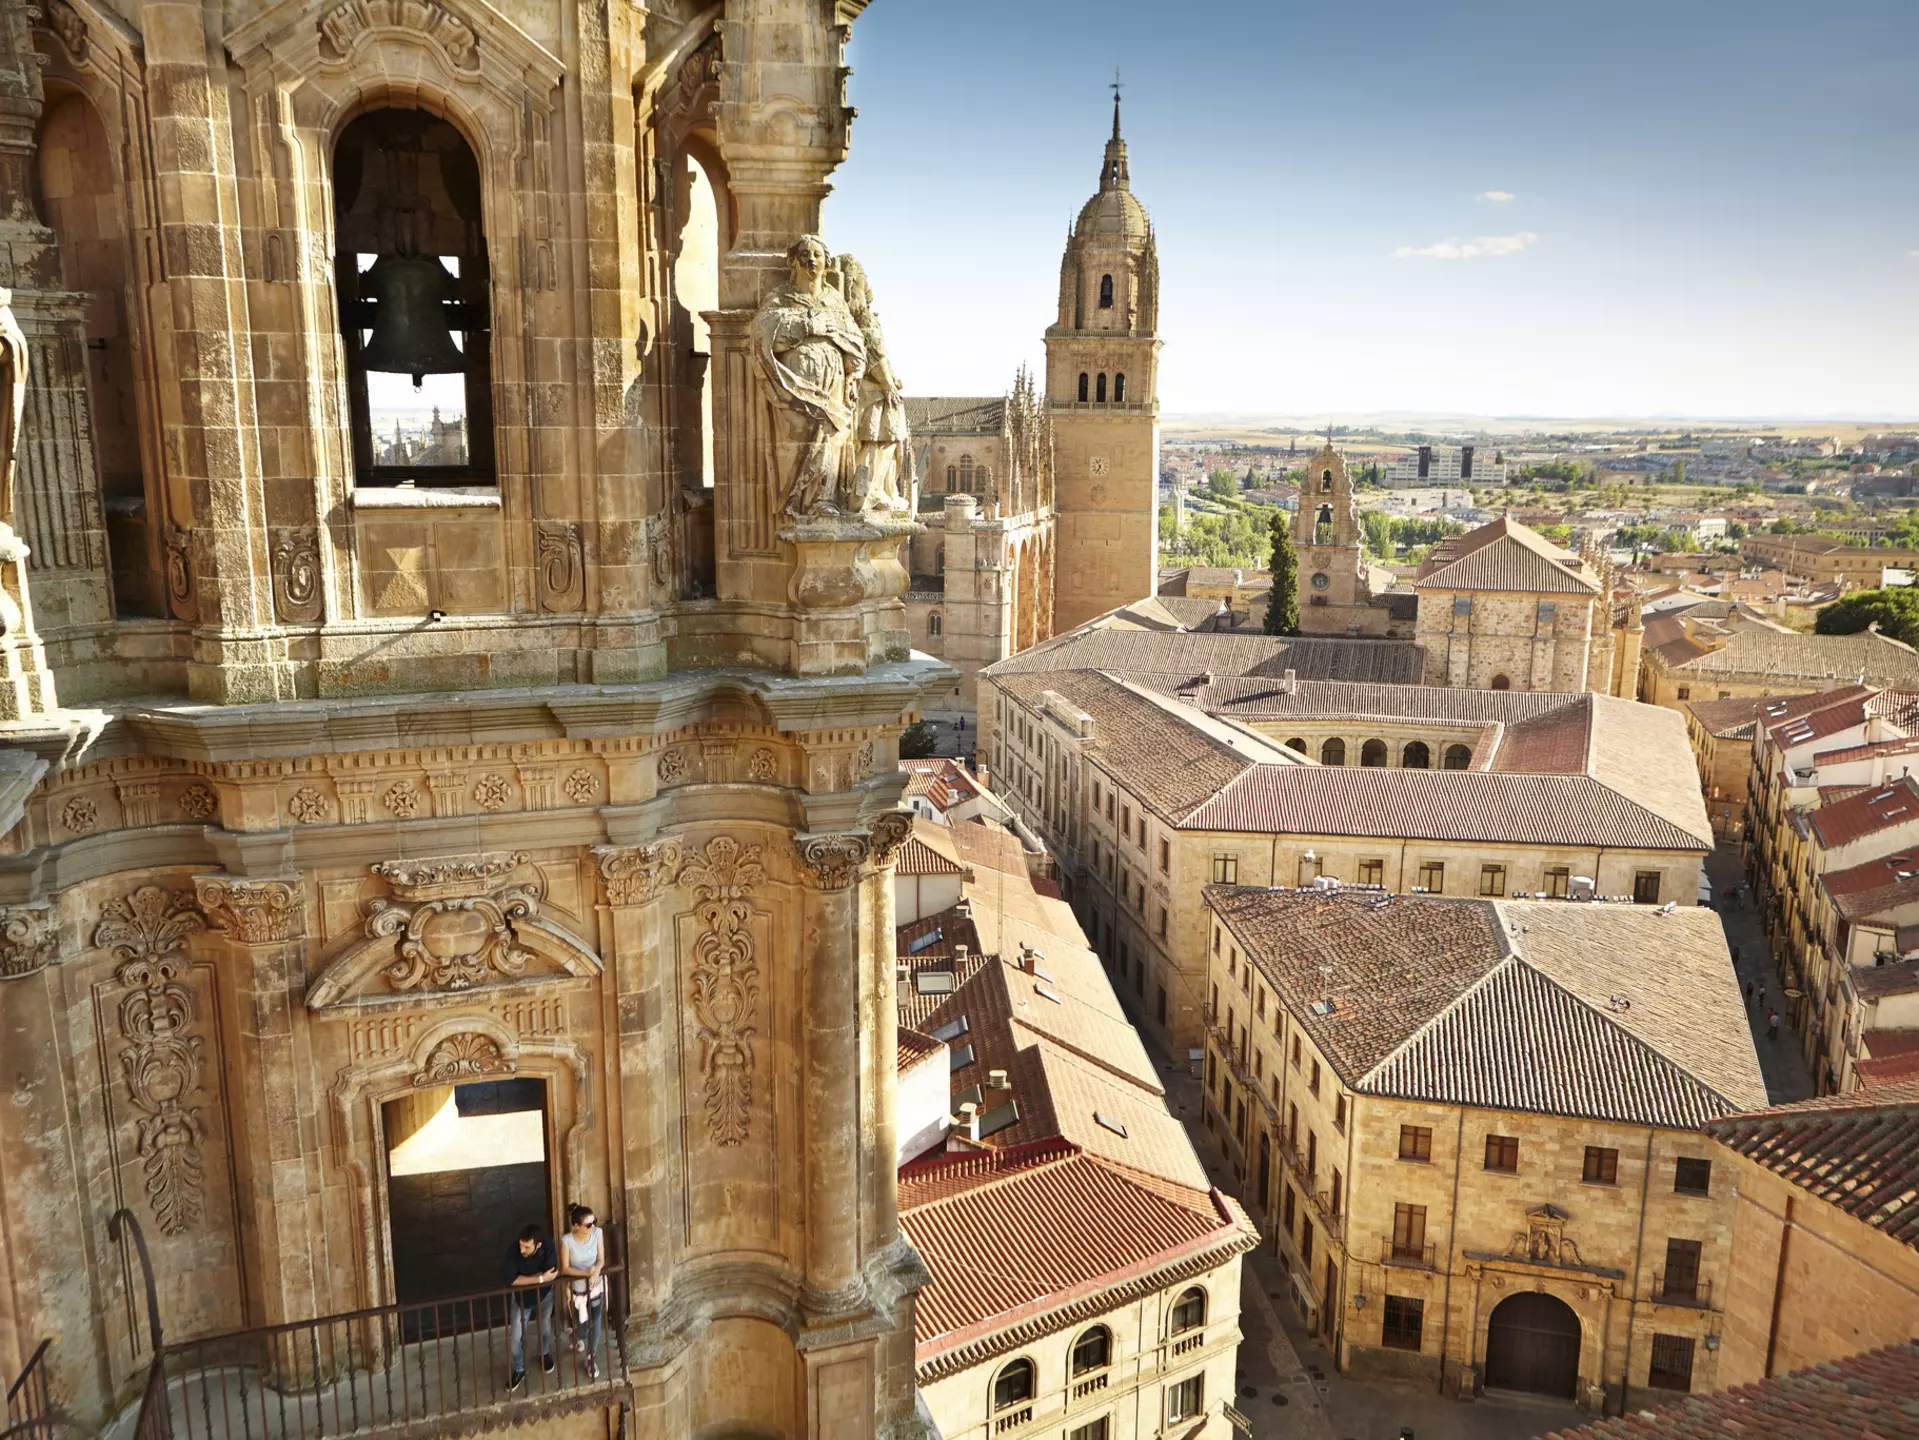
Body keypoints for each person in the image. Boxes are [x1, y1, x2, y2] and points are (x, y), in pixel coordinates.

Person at [504, 1223, 557, 1391]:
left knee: (545, 1327)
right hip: (522, 1300)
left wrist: (525, 1278)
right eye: (521, 1245)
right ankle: (519, 1368)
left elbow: (552, 1272)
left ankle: (543, 1353)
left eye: (527, 1247)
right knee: (515, 1338)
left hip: (545, 1295)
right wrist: (540, 1278)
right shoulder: (513, 1251)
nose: (522, 1250)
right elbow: (512, 1280)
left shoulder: (547, 1244)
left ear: (538, 1245)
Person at [560, 1202, 606, 1380]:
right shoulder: (567, 1241)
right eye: (588, 1224)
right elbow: (565, 1268)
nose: (592, 1226)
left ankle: (591, 1356)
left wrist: (596, 1271)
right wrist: (585, 1273)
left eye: (594, 1222)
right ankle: (574, 1335)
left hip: (595, 1287)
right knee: (584, 1329)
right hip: (578, 1290)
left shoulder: (597, 1233)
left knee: (596, 1321)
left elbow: (601, 1259)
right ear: (576, 1225)